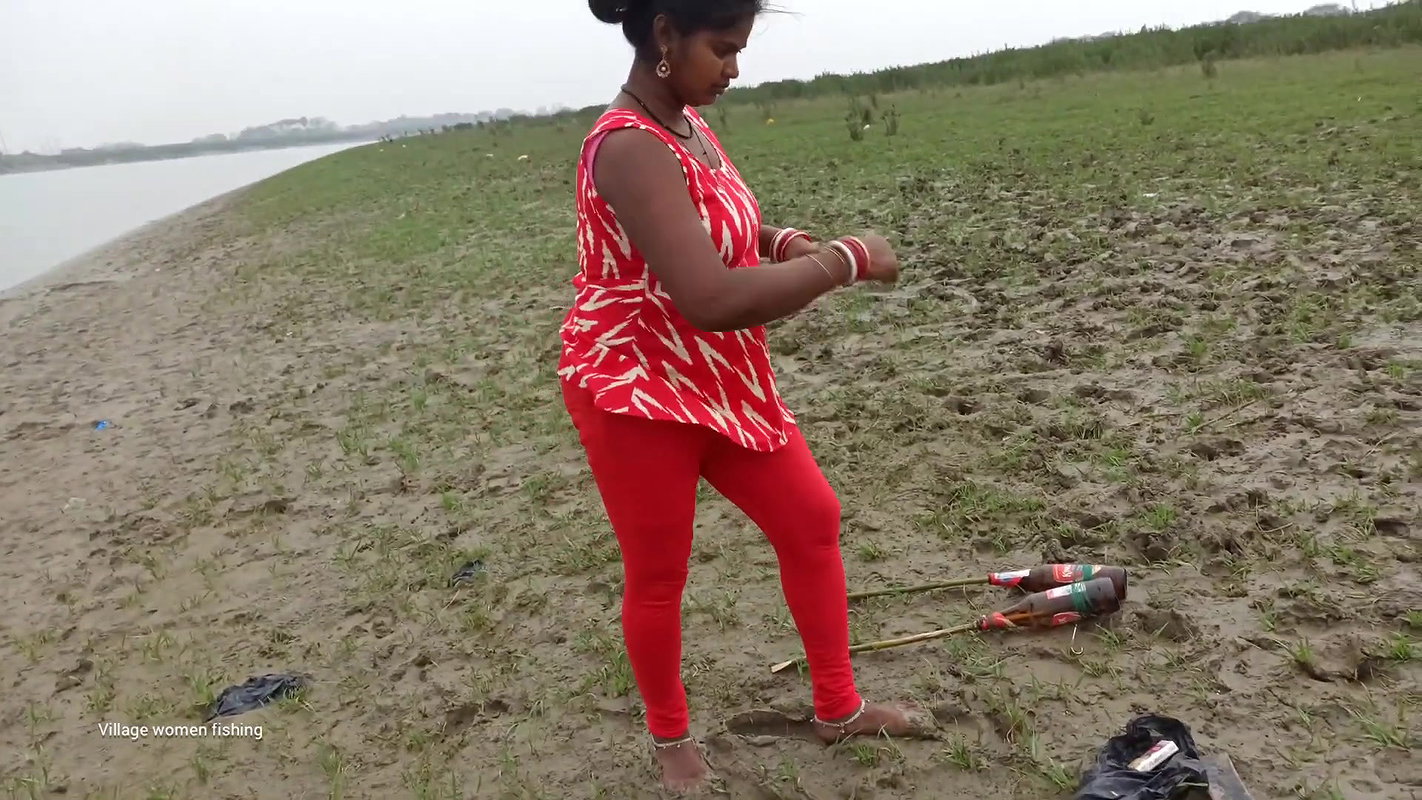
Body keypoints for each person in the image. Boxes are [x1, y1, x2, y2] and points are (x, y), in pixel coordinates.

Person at [558, 0, 933, 792]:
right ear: (665, 34)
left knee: (810, 517)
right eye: (723, 49)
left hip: (719, 377)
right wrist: (848, 260)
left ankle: (837, 706)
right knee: (659, 572)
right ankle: (670, 739)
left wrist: (785, 243)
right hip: (637, 387)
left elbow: (723, 227)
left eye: (739, 50)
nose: (734, 68)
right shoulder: (627, 147)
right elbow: (710, 296)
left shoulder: (689, 125)